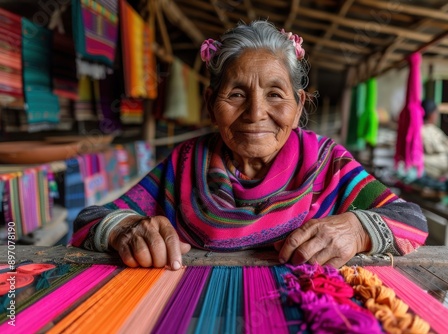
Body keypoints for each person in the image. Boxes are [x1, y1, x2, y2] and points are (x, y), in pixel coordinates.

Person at [71, 20, 428, 269]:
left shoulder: (326, 162)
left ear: (298, 105)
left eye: (275, 94)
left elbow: (410, 220)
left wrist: (356, 229)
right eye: (237, 93)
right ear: (211, 104)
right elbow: (89, 220)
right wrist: (126, 230)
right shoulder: (186, 163)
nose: (256, 113)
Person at [421, 99, 448, 180]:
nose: (437, 115)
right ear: (431, 114)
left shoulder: (431, 129)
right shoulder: (424, 130)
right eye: (436, 112)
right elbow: (434, 147)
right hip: (432, 171)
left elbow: (446, 142)